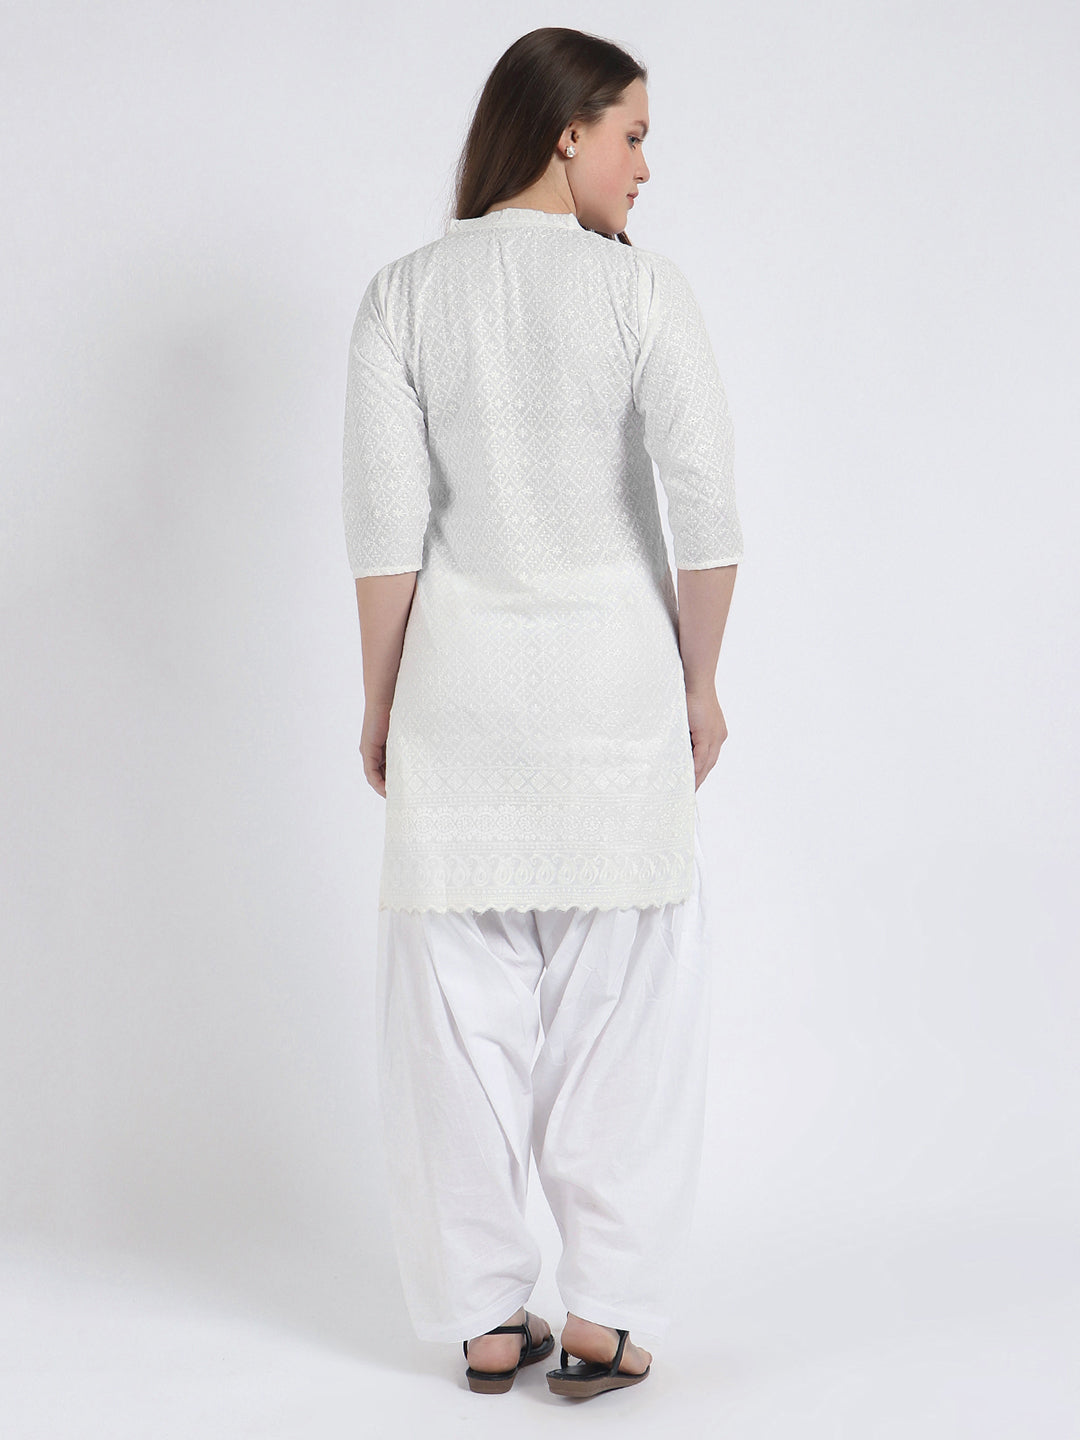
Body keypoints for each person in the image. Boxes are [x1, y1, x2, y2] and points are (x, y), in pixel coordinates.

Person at [341, 27, 743, 1399]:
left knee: (455, 1032)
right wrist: (700, 682)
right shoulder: (642, 293)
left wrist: (382, 700)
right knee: (623, 1027)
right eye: (634, 135)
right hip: (614, 703)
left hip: (459, 702)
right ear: (567, 132)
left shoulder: (403, 295)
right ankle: (604, 1315)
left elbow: (385, 531)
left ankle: (484, 1319)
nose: (646, 168)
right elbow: (710, 508)